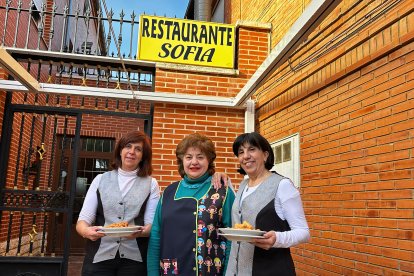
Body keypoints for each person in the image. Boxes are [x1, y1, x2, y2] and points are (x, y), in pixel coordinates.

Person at [147, 133, 236, 276]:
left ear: (209, 160)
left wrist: (229, 273)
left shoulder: (223, 192)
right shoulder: (169, 192)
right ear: (182, 160)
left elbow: (233, 239)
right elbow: (156, 236)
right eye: (188, 157)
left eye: (200, 157)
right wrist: (152, 273)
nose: (194, 162)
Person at [76, 130, 160, 276]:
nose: (131, 152)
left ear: (143, 156)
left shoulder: (151, 184)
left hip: (134, 261)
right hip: (99, 258)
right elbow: (83, 220)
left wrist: (140, 232)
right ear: (120, 150)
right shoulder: (100, 179)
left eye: (138, 149)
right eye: (128, 146)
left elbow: (151, 226)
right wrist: (86, 232)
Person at [226, 132, 310, 276]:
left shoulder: (282, 185)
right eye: (241, 152)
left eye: (252, 149)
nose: (245, 156)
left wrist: (277, 238)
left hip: (271, 269)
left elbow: (304, 232)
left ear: (265, 155)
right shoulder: (243, 185)